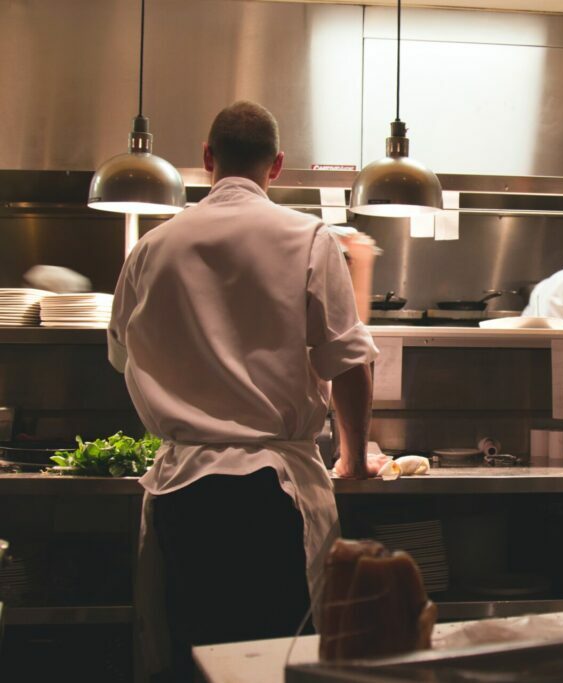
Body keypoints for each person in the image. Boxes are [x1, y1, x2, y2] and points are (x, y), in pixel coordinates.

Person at [107, 101, 379, 681]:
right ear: (276, 165)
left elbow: (122, 357)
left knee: (195, 659)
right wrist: (353, 458)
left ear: (207, 159)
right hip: (270, 496)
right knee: (278, 664)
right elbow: (349, 362)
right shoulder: (308, 237)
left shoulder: (152, 247)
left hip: (183, 492)